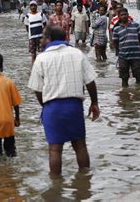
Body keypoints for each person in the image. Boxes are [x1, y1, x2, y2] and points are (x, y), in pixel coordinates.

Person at [28, 26, 100, 176]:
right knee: (80, 146)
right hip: (74, 106)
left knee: (55, 149)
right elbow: (90, 81)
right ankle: (85, 182)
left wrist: (45, 106)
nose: (41, 40)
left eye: (43, 37)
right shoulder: (77, 54)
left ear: (49, 39)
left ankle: (56, 186)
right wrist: (94, 103)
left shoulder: (41, 58)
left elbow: (37, 89)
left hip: (52, 108)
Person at [113, 8, 140, 87]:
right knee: (124, 77)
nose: (124, 16)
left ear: (128, 15)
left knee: (138, 76)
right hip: (123, 56)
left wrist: (135, 46)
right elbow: (115, 42)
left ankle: (139, 94)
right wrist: (119, 52)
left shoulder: (136, 25)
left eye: (125, 14)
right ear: (119, 16)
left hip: (136, 56)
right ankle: (124, 95)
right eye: (122, 15)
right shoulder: (116, 29)